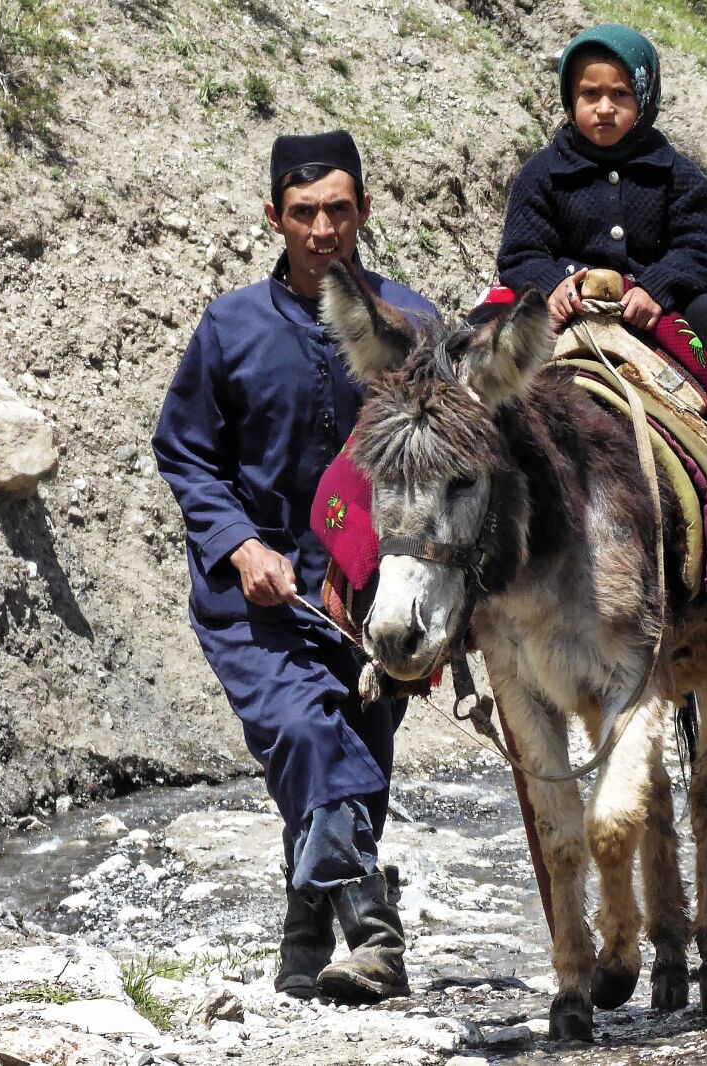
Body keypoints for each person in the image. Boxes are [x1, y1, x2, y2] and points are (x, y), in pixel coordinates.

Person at [152, 130, 436, 1005]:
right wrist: (241, 545)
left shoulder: (414, 326)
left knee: (356, 757)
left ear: (365, 213)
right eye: (304, 212)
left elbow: (447, 459)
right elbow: (185, 452)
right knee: (309, 737)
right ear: (274, 217)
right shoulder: (228, 327)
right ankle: (375, 932)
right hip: (252, 602)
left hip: (368, 599)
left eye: (339, 210)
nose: (323, 229)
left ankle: (302, 947)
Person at [496, 23, 707, 481]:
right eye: (590, 95)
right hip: (567, 304)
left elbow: (702, 248)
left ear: (644, 99)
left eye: (620, 94)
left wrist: (657, 288)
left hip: (651, 306)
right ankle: (463, 411)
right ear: (570, 100)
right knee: (485, 323)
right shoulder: (543, 174)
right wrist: (552, 284)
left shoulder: (675, 174)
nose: (604, 108)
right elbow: (521, 252)